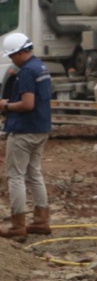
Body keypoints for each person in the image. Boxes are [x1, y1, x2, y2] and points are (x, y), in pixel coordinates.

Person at [0, 32, 52, 239]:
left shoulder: (27, 73)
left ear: (22, 52)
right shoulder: (41, 67)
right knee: (34, 174)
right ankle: (41, 220)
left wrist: (5, 105)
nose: (12, 60)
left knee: (15, 177)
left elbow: (27, 104)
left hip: (24, 130)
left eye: (13, 56)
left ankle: (17, 226)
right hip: (41, 128)